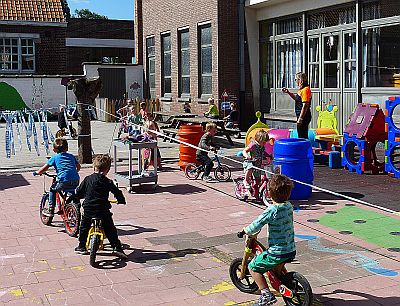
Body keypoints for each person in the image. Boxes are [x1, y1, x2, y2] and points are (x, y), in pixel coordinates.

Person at [243, 174, 295, 306]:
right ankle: (284, 281)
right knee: (276, 268)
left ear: (269, 194)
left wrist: (245, 230)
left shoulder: (272, 210)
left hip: (277, 252)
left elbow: (257, 223)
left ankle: (266, 294)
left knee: (253, 267)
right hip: (290, 249)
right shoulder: (289, 206)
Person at [71, 154, 128, 259]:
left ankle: (82, 246)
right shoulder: (108, 181)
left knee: (84, 227)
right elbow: (117, 192)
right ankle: (116, 247)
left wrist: (77, 197)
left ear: (94, 167)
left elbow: (79, 192)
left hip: (88, 208)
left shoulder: (88, 179)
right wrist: (121, 200)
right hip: (102, 209)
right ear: (108, 170)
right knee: (110, 228)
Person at [34, 138, 80, 217]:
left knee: (52, 189)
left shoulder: (54, 158)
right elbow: (78, 167)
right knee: (71, 191)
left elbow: (45, 168)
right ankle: (75, 207)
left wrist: (37, 172)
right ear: (67, 148)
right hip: (76, 180)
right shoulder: (71, 156)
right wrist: (73, 172)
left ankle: (51, 209)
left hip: (63, 180)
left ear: (54, 150)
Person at [282, 72, 312, 139]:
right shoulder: (301, 90)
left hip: (304, 116)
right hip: (299, 115)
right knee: (300, 134)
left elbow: (305, 105)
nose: (295, 81)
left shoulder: (305, 90)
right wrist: (288, 92)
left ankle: (304, 148)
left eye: (296, 79)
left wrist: (301, 118)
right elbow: (296, 98)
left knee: (302, 135)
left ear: (300, 80)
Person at [242, 129, 269, 199]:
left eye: (265, 142)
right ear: (259, 140)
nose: (264, 144)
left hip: (257, 164)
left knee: (258, 181)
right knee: (250, 168)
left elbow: (263, 153)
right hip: (250, 162)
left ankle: (255, 192)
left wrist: (269, 156)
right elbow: (244, 151)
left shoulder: (262, 146)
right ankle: (246, 180)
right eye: (263, 142)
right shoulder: (253, 145)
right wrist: (247, 156)